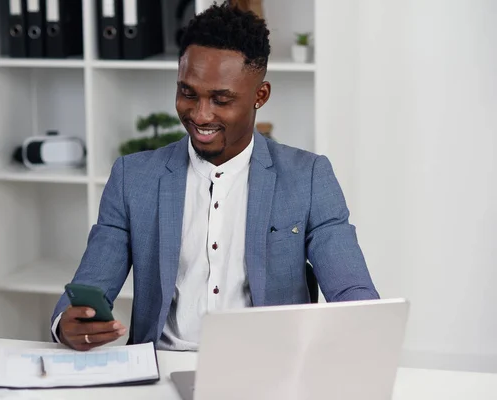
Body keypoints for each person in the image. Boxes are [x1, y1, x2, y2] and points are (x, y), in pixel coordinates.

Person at [51, 3, 379, 351]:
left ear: (260, 96)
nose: (200, 114)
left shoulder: (309, 177)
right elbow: (91, 284)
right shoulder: (133, 178)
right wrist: (68, 323)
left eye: (221, 99)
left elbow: (350, 289)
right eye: (187, 93)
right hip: (162, 368)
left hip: (268, 369)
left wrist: (364, 327)